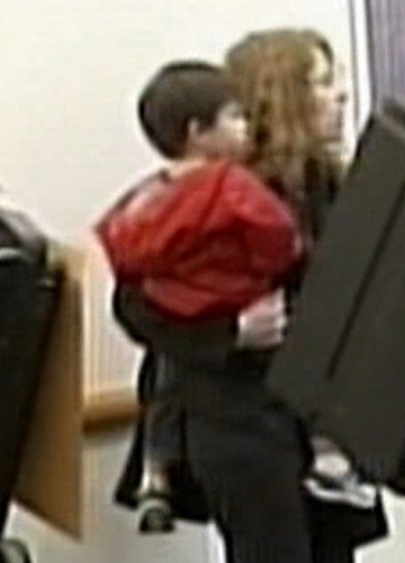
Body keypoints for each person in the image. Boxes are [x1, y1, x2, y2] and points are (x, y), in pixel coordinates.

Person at [112, 30, 388, 563]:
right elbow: (133, 306)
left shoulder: (329, 185)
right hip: (242, 420)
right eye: (321, 82)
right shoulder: (209, 193)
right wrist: (230, 332)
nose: (340, 95)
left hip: (322, 420)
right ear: (282, 97)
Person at [97, 60, 302, 534]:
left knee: (166, 387)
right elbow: (277, 232)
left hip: (180, 324)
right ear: (197, 132)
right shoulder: (231, 184)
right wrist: (267, 267)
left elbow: (117, 252)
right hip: (244, 372)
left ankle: (156, 474)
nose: (247, 126)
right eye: (235, 116)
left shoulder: (146, 197)